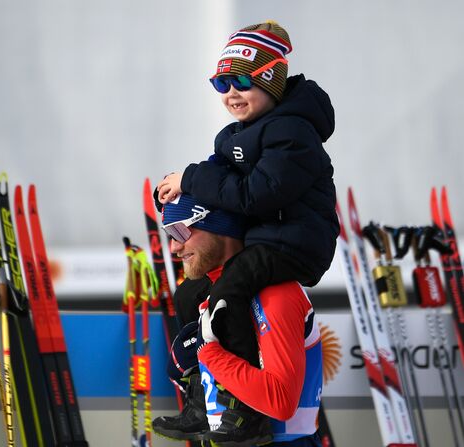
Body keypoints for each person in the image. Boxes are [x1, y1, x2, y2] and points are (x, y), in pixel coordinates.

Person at [156, 20, 339, 327]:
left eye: (241, 81)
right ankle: (195, 365)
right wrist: (177, 194)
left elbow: (255, 195)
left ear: (271, 81)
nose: (230, 93)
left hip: (295, 244)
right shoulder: (234, 136)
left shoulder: (293, 134)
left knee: (229, 289)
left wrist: (190, 179)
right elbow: (215, 176)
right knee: (190, 292)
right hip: (258, 241)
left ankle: (238, 363)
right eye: (221, 84)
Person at [152, 194, 323, 447]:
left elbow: (281, 401)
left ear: (218, 226)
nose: (174, 247)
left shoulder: (274, 293)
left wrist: (209, 354)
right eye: (169, 234)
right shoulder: (209, 291)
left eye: (180, 231)